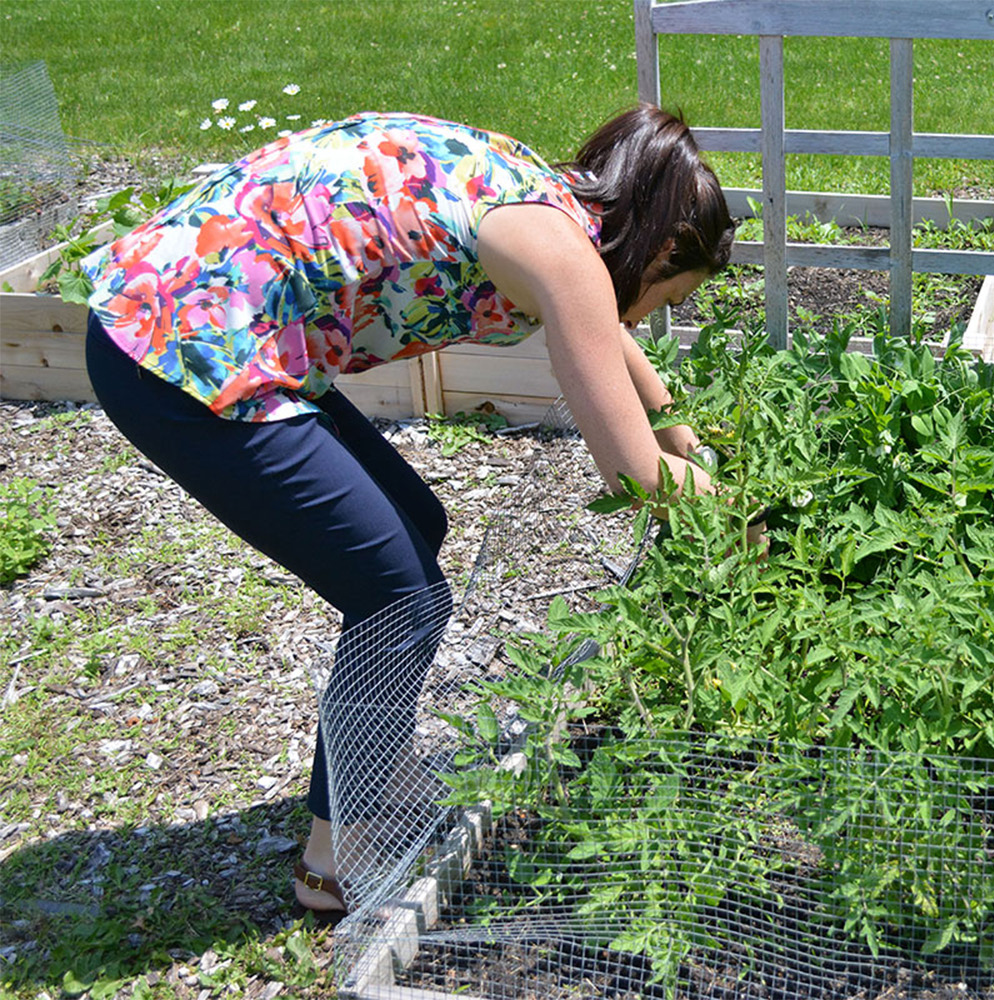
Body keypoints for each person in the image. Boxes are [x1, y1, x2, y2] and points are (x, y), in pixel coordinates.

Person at [81, 105, 741, 920]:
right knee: (396, 594)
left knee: (415, 534)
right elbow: (634, 475)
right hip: (177, 348)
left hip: (204, 314)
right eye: (666, 295)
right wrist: (743, 512)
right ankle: (334, 861)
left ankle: (377, 776)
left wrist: (687, 435)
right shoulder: (564, 255)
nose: (647, 317)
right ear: (663, 249)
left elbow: (611, 334)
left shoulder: (553, 202)